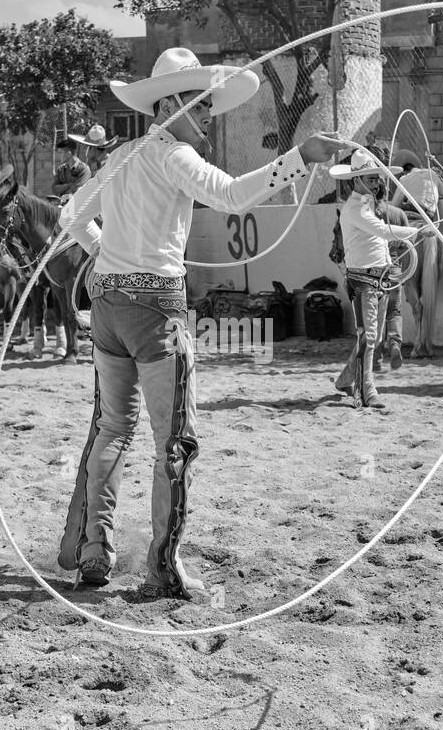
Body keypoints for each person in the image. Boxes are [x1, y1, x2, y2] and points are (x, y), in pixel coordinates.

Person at [56, 46, 343, 599]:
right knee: (175, 440)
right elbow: (234, 197)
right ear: (175, 105)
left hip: (108, 306)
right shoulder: (171, 156)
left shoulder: (119, 157)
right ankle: (163, 566)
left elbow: (72, 215)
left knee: (114, 427)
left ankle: (96, 547)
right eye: (204, 106)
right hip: (156, 311)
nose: (211, 116)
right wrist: (300, 156)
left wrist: (106, 257)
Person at [329, 149, 436, 409]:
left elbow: (379, 236)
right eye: (371, 178)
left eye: (378, 178)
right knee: (370, 337)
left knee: (373, 338)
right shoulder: (355, 208)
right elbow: (382, 231)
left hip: (381, 276)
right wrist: (418, 230)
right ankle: (367, 390)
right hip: (363, 279)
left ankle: (346, 380)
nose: (377, 182)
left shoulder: (368, 206)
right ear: (357, 180)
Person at [51, 137, 90, 203]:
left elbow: (76, 191)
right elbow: (54, 189)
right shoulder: (61, 169)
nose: (59, 156)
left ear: (68, 154)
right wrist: (68, 185)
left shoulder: (84, 169)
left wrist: (62, 189)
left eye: (61, 153)